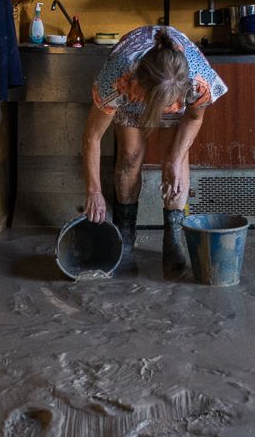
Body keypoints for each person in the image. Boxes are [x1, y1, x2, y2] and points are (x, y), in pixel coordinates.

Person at [81, 25, 227, 275]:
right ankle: (125, 237)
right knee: (130, 156)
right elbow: (92, 138)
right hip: (134, 99)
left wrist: (173, 160)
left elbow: (193, 119)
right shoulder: (120, 78)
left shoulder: (197, 80)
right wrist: (93, 190)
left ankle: (173, 236)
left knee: (176, 162)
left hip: (172, 99)